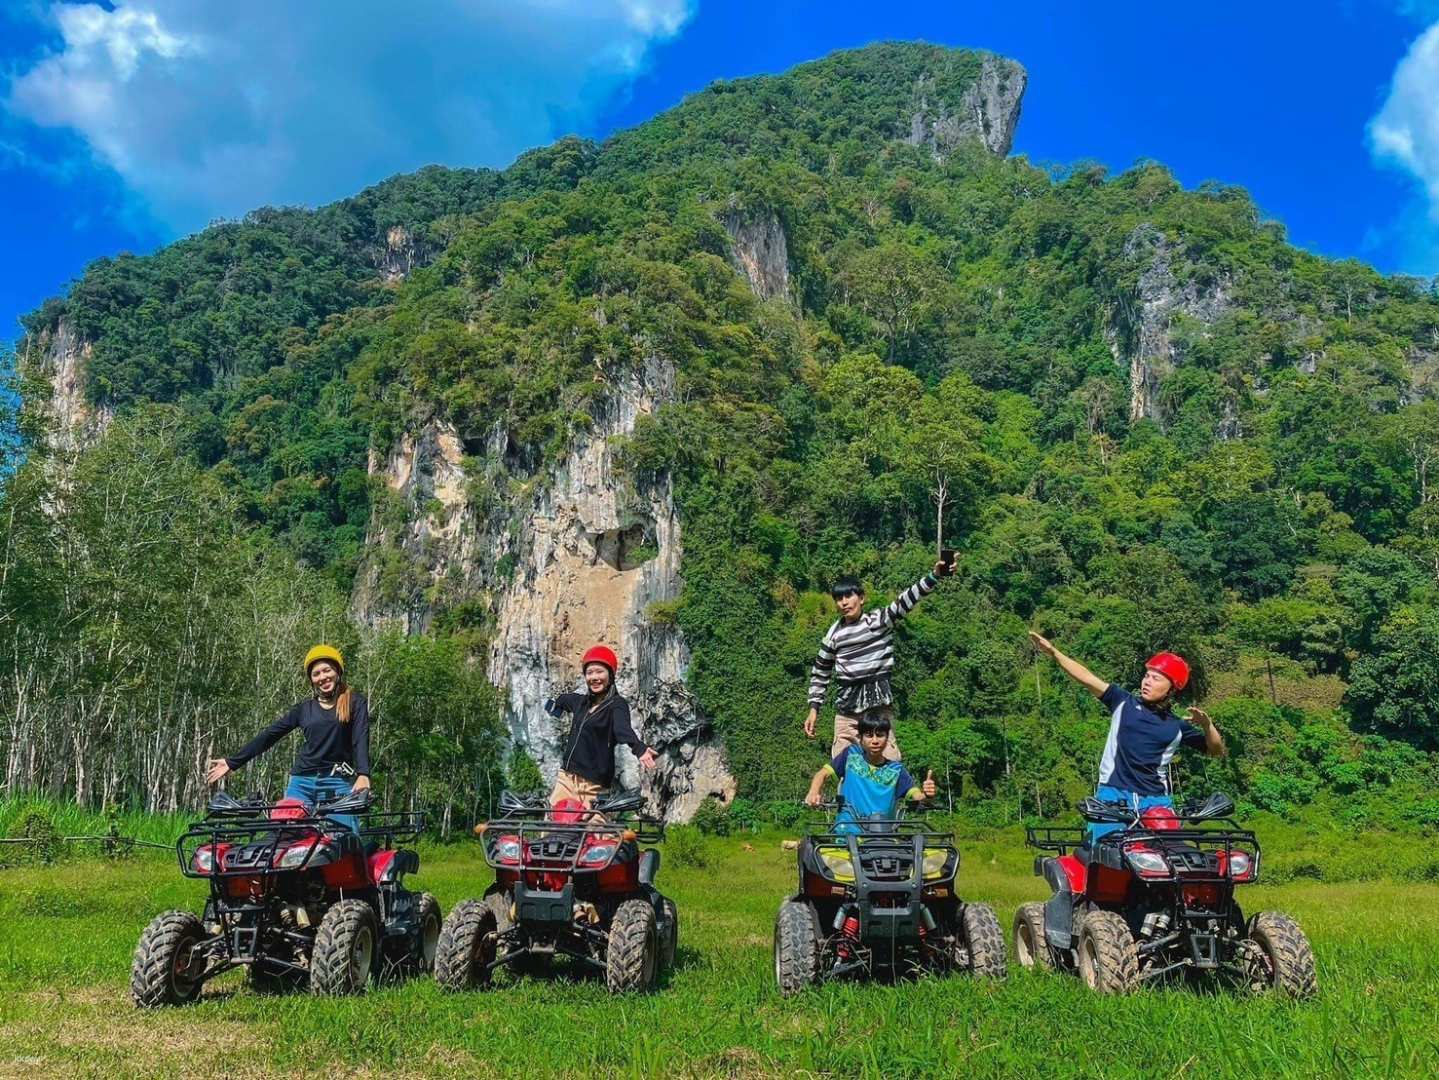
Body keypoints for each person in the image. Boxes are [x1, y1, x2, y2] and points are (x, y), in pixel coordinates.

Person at [1027, 632, 1225, 842]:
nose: (1147, 682)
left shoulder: (1177, 726)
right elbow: (1086, 677)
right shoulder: (1123, 702)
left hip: (1156, 802)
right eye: (1146, 676)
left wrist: (1207, 725)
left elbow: (1216, 750)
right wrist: (1053, 652)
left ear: (1171, 688)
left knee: (1170, 856)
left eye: (1155, 678)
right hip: (1113, 796)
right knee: (1107, 853)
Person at [206, 645, 370, 833]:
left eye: (327, 670)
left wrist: (363, 774)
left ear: (337, 671)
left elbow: (360, 738)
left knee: (343, 838)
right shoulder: (304, 709)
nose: (322, 677)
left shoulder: (355, 702)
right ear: (311, 680)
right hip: (301, 782)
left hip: (337, 782)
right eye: (316, 674)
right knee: (284, 836)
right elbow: (270, 735)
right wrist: (233, 762)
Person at [804, 556, 955, 762]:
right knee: (844, 766)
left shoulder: (877, 622)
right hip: (847, 712)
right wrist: (814, 709)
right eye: (839, 599)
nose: (844, 602)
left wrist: (934, 576)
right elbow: (820, 673)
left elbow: (905, 601)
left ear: (862, 598)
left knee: (889, 765)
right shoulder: (833, 635)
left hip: (878, 709)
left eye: (849, 596)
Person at [545, 645, 658, 811]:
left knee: (595, 834)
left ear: (610, 675)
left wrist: (639, 748)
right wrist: (555, 708)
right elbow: (562, 699)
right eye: (589, 673)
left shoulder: (616, 704)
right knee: (552, 830)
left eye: (599, 672)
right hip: (566, 780)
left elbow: (621, 729)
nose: (594, 677)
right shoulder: (580, 703)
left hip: (593, 786)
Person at [804, 711, 937, 829]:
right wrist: (814, 792)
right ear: (860, 739)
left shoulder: (896, 770)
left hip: (885, 840)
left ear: (887, 739)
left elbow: (917, 797)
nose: (875, 740)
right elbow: (822, 774)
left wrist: (927, 795)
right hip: (846, 836)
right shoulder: (850, 755)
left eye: (880, 735)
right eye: (869, 735)